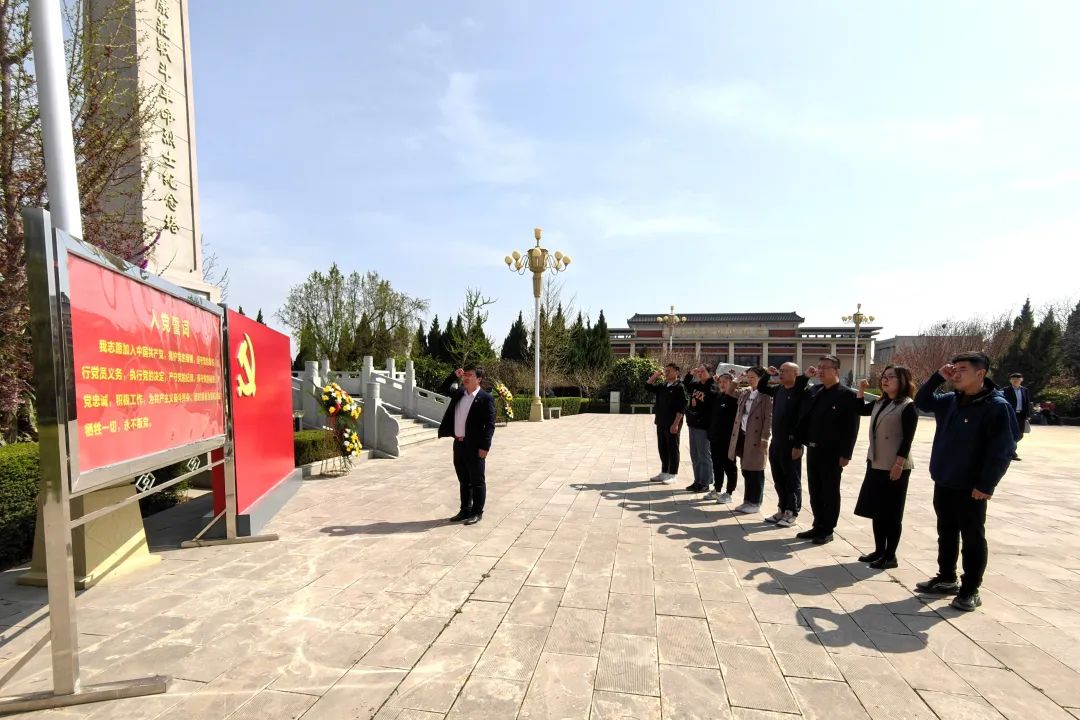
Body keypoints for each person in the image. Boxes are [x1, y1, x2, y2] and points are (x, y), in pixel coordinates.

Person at [913, 351, 1019, 612]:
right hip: (944, 478)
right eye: (954, 368)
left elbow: (1003, 450)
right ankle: (946, 577)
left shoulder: (996, 406)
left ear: (980, 373)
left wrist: (986, 484)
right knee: (946, 531)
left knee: (972, 537)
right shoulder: (951, 400)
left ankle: (970, 589)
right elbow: (922, 401)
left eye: (962, 369)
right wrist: (938, 377)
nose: (956, 373)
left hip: (972, 487)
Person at [853, 366, 918, 569]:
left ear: (903, 381)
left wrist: (898, 464)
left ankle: (890, 556)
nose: (885, 380)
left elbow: (907, 439)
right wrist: (861, 390)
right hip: (876, 462)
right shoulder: (880, 402)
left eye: (891, 377)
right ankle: (879, 550)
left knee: (892, 513)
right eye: (884, 377)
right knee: (877, 511)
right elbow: (859, 409)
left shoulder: (907, 406)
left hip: (894, 466)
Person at [794, 355, 861, 544]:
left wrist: (846, 454)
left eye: (825, 367)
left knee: (829, 490)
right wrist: (805, 377)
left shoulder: (847, 395)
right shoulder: (814, 391)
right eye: (819, 366)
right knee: (815, 489)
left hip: (832, 452)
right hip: (813, 448)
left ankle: (828, 529)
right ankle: (818, 525)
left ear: (837, 371)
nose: (820, 370)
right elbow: (797, 396)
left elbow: (851, 428)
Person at [437, 364, 496, 525]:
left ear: (479, 379)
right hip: (459, 444)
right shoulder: (459, 394)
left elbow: (490, 425)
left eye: (470, 375)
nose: (466, 377)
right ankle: (465, 510)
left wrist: (485, 447)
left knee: (477, 481)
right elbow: (443, 388)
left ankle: (477, 512)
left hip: (475, 446)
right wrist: (453, 375)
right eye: (465, 375)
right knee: (464, 480)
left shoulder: (485, 398)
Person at [760, 363, 810, 527]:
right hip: (777, 441)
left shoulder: (800, 392)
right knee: (778, 478)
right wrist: (767, 374)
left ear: (796, 374)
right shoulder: (779, 390)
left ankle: (792, 511)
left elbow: (802, 420)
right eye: (780, 371)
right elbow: (762, 387)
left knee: (791, 479)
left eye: (785, 371)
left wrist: (798, 444)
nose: (781, 373)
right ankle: (781, 508)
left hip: (792, 443)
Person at [727, 367, 774, 515]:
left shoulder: (766, 396)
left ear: (761, 378)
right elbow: (729, 391)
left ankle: (755, 502)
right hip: (742, 435)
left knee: (756, 471)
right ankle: (747, 500)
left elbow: (768, 419)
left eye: (753, 377)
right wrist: (737, 380)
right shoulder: (746, 392)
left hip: (756, 437)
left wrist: (765, 437)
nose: (750, 379)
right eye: (748, 377)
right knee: (746, 469)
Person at [646, 364, 687, 485]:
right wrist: (655, 375)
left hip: (673, 423)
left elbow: (683, 406)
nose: (667, 372)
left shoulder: (680, 387)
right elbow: (647, 386)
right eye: (666, 370)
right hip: (661, 422)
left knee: (673, 448)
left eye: (670, 370)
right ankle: (664, 472)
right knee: (662, 447)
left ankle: (673, 474)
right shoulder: (663, 386)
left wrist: (676, 424)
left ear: (677, 372)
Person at [707, 371, 740, 503]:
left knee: (729, 466)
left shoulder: (735, 398)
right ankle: (717, 489)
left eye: (725, 382)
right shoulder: (718, 397)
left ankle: (729, 492)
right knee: (716, 465)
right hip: (715, 437)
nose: (722, 384)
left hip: (728, 439)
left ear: (731, 383)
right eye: (720, 382)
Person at [683, 364, 715, 492]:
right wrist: (691, 373)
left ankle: (705, 482)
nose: (700, 373)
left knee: (704, 455)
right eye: (699, 371)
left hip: (704, 426)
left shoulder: (712, 386)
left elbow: (712, 401)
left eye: (703, 371)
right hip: (693, 423)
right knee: (695, 455)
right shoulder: (695, 385)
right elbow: (685, 384)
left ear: (709, 373)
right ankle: (698, 480)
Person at [1001, 373, 1031, 460]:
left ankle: (1010, 450)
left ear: (1021, 380)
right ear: (1010, 381)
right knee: (1010, 433)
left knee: (1019, 435)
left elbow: (1027, 403)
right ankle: (1012, 453)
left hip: (1021, 415)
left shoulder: (1025, 390)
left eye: (1017, 379)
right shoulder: (1005, 390)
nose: (1015, 381)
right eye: (1013, 379)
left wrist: (1028, 415)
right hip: (1010, 414)